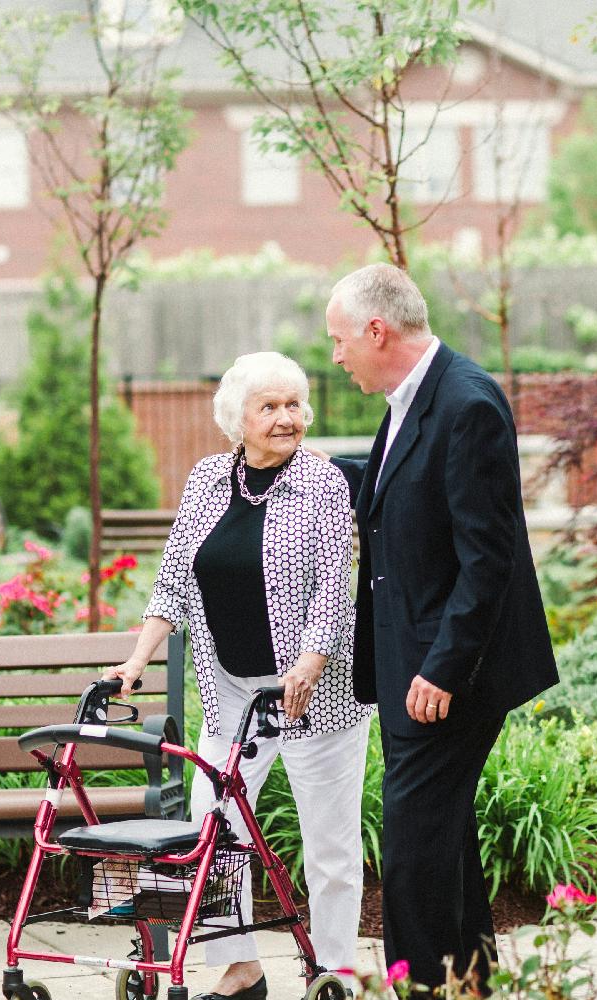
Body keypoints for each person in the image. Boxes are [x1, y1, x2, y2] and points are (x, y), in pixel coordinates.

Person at [104, 351, 369, 1000]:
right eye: (269, 407)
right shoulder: (205, 480)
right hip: (233, 696)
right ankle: (241, 966)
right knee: (210, 826)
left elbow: (335, 585)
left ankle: (331, 969)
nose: (286, 418)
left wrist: (311, 659)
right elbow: (172, 578)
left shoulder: (323, 482)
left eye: (294, 405)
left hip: (317, 694)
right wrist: (137, 659)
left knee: (328, 844)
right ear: (237, 420)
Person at [324, 263, 559, 992]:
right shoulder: (410, 398)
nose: (336, 357)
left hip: (449, 674)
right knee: (442, 837)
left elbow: (488, 561)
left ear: (376, 329)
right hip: (410, 663)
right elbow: (406, 484)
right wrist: (309, 467)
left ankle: (421, 987)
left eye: (339, 341)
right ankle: (472, 984)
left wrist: (443, 669)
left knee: (413, 852)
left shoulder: (468, 402)